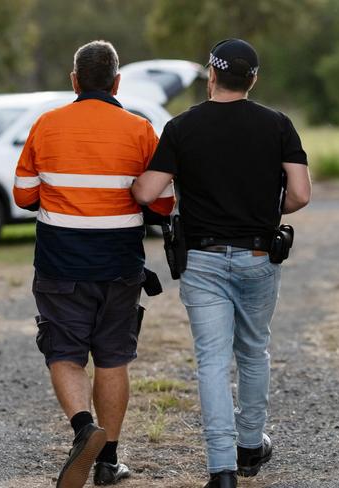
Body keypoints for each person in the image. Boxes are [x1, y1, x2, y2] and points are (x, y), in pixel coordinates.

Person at [132, 38, 311, 488]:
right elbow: (301, 193)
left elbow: (146, 193)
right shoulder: (279, 125)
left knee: (211, 361)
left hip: (204, 260)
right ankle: (250, 445)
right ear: (253, 79)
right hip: (257, 254)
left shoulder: (181, 127)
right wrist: (270, 212)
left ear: (211, 76)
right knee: (253, 351)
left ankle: (222, 470)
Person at [13, 40, 175, 488]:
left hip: (60, 263)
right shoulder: (141, 130)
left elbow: (23, 196)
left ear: (74, 80)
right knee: (113, 357)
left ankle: (84, 427)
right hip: (120, 264)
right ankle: (109, 461)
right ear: (117, 81)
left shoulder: (46, 125)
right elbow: (162, 203)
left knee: (64, 352)